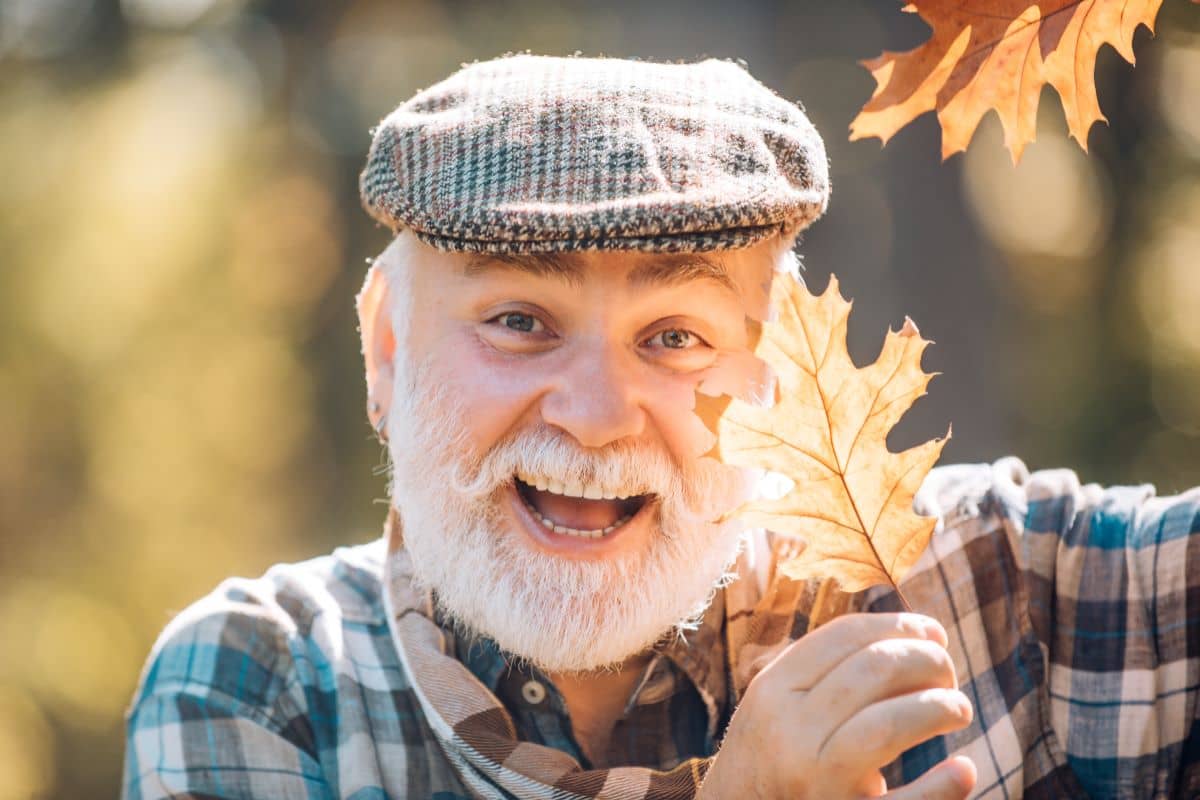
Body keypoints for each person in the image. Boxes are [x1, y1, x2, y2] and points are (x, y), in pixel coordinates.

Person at [121, 55, 1200, 800]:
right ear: (387, 349)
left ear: (771, 368)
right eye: (517, 321)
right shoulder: (265, 685)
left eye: (675, 336)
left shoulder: (994, 588)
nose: (596, 415)